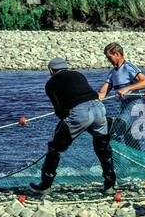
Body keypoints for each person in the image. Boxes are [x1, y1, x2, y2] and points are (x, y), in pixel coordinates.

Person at [28, 58, 116, 195]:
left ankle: (45, 185)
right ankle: (110, 186)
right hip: (99, 108)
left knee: (54, 148)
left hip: (80, 113)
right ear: (66, 67)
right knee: (103, 147)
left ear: (51, 70)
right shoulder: (78, 74)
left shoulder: (50, 84)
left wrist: (66, 126)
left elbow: (59, 111)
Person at [98, 42, 145, 150]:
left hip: (134, 105)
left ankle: (113, 165)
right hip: (124, 108)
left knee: (116, 131)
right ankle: (136, 165)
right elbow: (102, 93)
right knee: (130, 139)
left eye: (109, 57)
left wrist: (127, 88)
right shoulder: (112, 73)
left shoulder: (129, 67)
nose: (108, 60)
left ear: (117, 54)